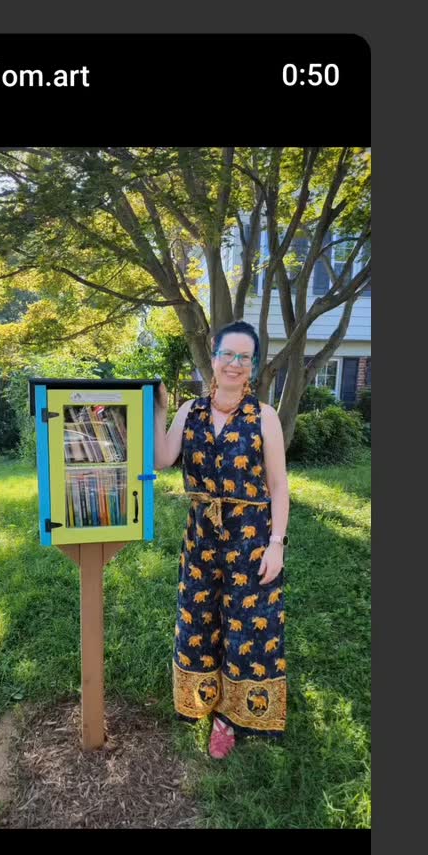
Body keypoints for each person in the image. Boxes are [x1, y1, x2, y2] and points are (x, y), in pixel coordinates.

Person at [154, 320, 290, 758]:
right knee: (199, 617)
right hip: (201, 538)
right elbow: (162, 457)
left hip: (250, 540)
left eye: (243, 357)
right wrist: (157, 408)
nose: (234, 364)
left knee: (248, 626)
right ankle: (203, 699)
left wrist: (277, 544)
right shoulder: (189, 412)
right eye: (227, 354)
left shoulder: (263, 417)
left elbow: (279, 485)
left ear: (253, 365)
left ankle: (232, 718)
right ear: (213, 358)